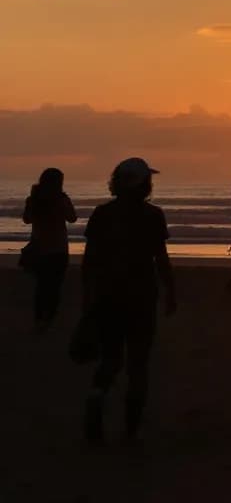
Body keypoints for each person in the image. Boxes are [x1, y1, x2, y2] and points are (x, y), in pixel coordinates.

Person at [82, 158, 176, 445]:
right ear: (145, 185)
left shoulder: (101, 214)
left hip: (108, 295)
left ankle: (97, 396)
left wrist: (89, 297)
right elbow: (160, 258)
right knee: (138, 363)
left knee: (110, 358)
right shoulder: (153, 215)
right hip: (141, 296)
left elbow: (90, 261)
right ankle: (131, 430)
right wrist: (170, 290)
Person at [21, 167, 77, 332]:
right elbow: (72, 218)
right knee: (55, 286)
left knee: (41, 285)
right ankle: (49, 318)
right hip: (58, 249)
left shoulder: (33, 199)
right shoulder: (61, 199)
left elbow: (26, 219)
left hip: (39, 247)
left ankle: (39, 318)